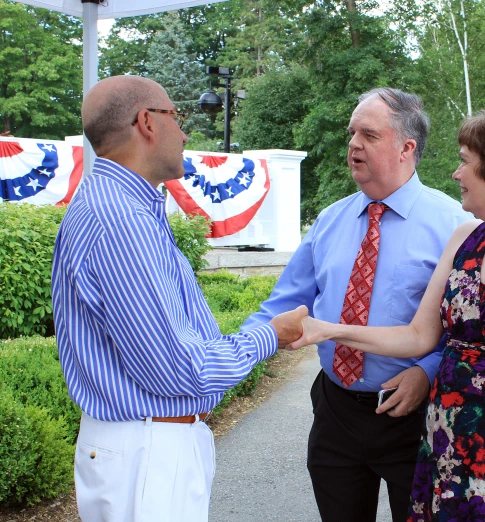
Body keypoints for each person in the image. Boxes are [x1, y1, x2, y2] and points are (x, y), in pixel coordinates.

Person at [291, 98, 485, 521]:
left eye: (465, 162)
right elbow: (417, 337)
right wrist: (328, 331)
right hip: (450, 450)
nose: (455, 173)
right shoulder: (465, 238)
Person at [50, 75, 306, 521]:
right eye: (176, 116)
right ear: (147, 122)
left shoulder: (121, 206)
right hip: (148, 452)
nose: (184, 132)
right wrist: (270, 336)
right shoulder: (120, 219)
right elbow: (178, 371)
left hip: (145, 448)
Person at [241, 87, 469, 522]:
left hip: (417, 414)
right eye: (351, 133)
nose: (353, 144)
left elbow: (469, 329)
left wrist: (428, 370)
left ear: (407, 147)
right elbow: (284, 304)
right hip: (337, 410)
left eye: (368, 134)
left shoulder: (456, 227)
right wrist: (227, 357)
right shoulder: (330, 221)